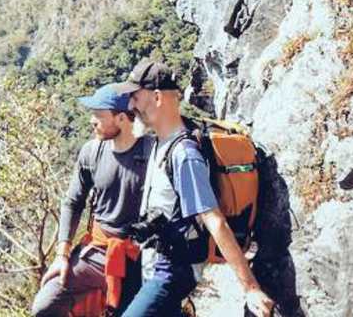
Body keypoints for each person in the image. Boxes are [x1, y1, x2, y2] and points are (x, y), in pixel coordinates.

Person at [117, 59, 274, 317]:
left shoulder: (184, 155)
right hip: (155, 264)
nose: (131, 105)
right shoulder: (161, 142)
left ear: (157, 97)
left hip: (172, 271)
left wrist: (250, 288)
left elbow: (215, 222)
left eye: (135, 97)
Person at [30, 83, 152, 316]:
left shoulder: (152, 152)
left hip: (140, 254)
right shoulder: (91, 152)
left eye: (99, 115)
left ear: (121, 119)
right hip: (97, 251)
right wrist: (62, 256)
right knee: (44, 306)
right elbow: (73, 203)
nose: (92, 121)